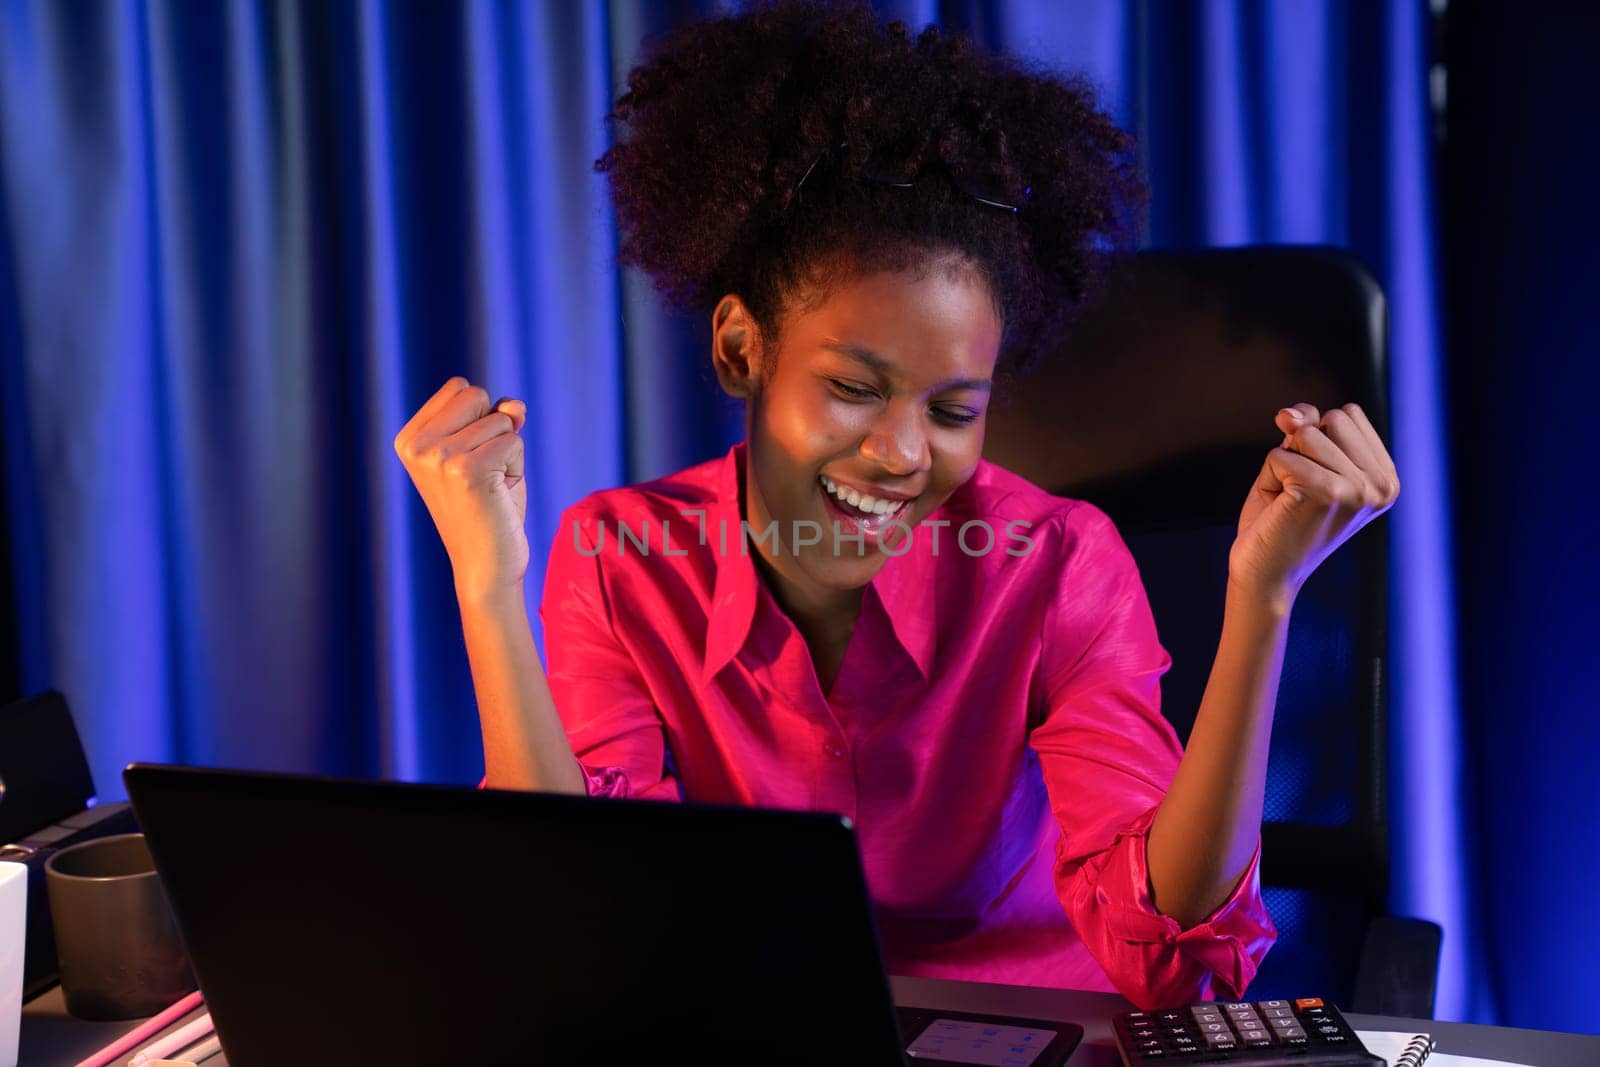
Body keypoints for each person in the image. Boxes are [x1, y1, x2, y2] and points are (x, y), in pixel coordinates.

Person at [393, 0, 1399, 1009]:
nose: (903, 453)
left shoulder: (1057, 563)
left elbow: (1173, 956)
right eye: (853, 387)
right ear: (743, 349)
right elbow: (575, 921)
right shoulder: (623, 556)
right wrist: (488, 586)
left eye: (955, 408)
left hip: (1032, 1031)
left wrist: (1261, 597)